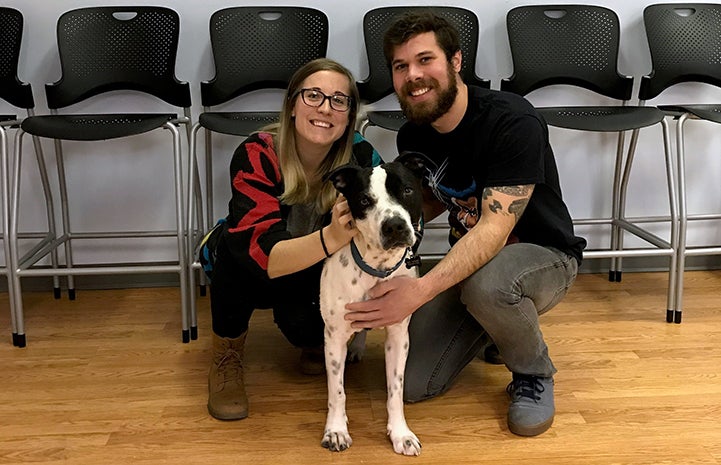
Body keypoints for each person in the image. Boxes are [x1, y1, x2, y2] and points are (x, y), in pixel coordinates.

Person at [344, 13, 586, 437]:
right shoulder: (413, 136)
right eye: (401, 67)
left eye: (425, 60)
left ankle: (533, 373)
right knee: (413, 385)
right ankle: (494, 325)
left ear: (456, 61)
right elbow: (429, 201)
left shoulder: (512, 120)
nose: (413, 76)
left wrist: (418, 290)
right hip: (472, 262)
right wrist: (367, 229)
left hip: (543, 256)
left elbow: (493, 229)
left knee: (488, 286)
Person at [202, 58, 382, 421]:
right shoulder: (257, 152)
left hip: (313, 269)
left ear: (349, 116)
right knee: (232, 258)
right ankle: (227, 353)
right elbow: (265, 256)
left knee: (305, 330)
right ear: (292, 104)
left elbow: (387, 222)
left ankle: (312, 337)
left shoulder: (362, 157)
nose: (325, 108)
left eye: (338, 100)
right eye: (313, 95)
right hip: (253, 265)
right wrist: (332, 235)